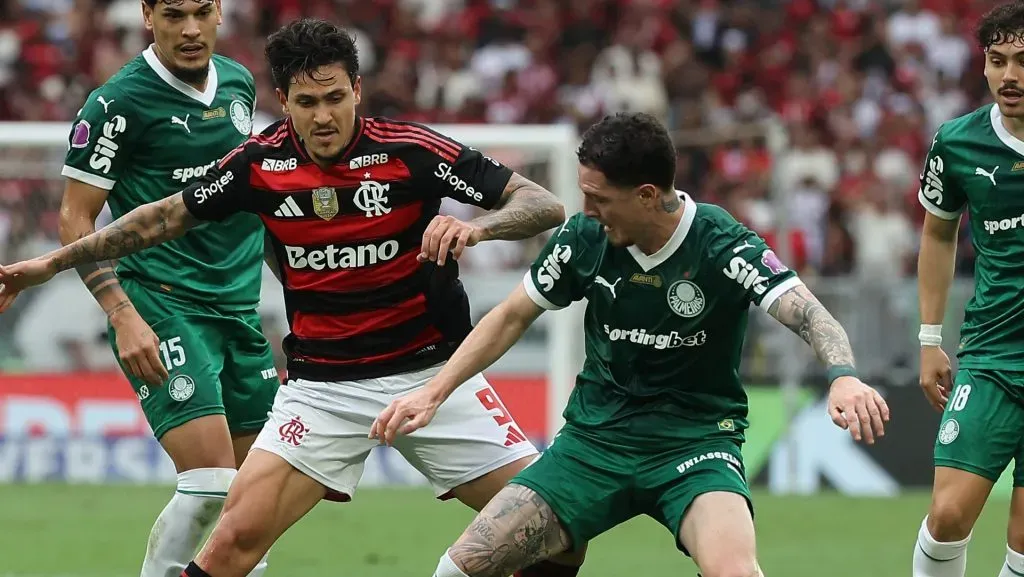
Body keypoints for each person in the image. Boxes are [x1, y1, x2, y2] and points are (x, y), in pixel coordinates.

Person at [0, 18, 586, 577]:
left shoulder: (411, 152)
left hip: (432, 379)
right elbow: (164, 217)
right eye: (307, 103)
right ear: (283, 101)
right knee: (232, 544)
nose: (324, 116)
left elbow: (540, 202)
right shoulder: (261, 165)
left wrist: (478, 228)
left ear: (357, 89)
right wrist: (51, 263)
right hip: (322, 390)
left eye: (335, 97)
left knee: (556, 530)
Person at [368, 112, 890, 577]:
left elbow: (809, 313)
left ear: (646, 194)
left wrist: (842, 374)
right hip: (594, 444)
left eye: (598, 198)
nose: (587, 209)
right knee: (460, 567)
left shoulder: (719, 241)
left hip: (695, 444)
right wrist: (432, 393)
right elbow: (509, 318)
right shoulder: (584, 238)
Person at [57, 1, 275, 576]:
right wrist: (123, 315)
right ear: (148, 15)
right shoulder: (116, 104)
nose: (190, 28)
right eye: (174, 13)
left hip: (239, 309)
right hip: (162, 303)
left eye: (202, 11)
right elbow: (75, 221)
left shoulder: (237, 83)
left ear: (220, 12)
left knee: (254, 503)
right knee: (209, 486)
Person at [914, 3, 1024, 576]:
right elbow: (937, 235)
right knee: (949, 514)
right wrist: (930, 337)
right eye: (997, 60)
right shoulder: (957, 143)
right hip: (992, 353)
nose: (1010, 76)